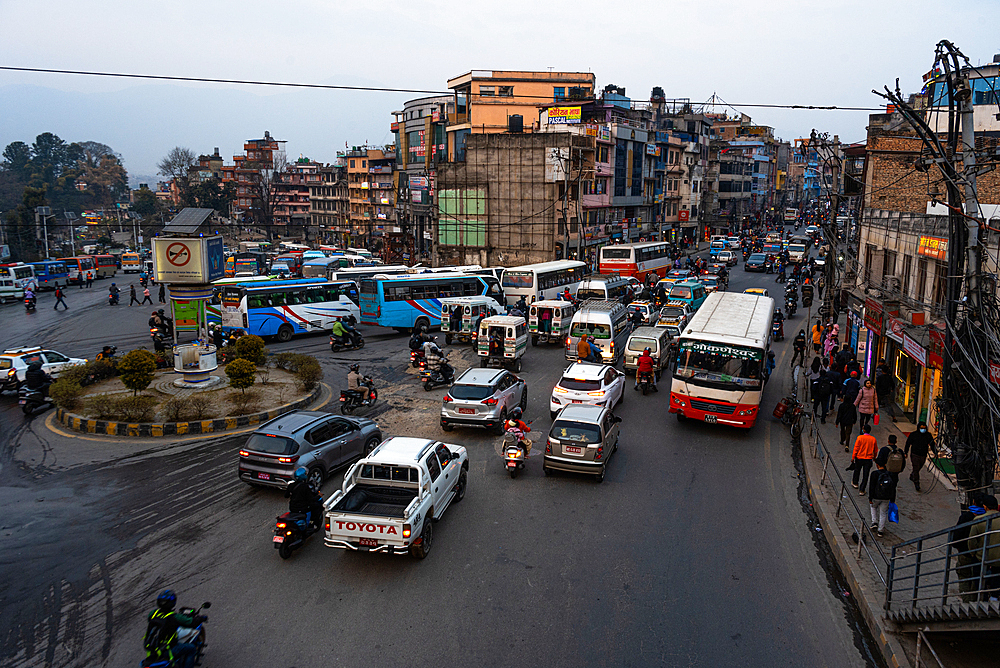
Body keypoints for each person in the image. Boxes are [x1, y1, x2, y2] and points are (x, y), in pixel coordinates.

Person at [143, 590, 199, 668]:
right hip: (167, 649)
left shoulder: (152, 613)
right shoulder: (174, 617)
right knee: (192, 649)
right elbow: (190, 622)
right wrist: (200, 618)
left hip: (152, 649)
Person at [952, 493, 989, 602]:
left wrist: (958, 546)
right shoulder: (987, 518)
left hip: (965, 553)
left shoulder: (966, 517)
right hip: (979, 555)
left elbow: (956, 536)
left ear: (973, 502)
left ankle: (966, 601)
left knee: (963, 576)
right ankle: (973, 600)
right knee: (975, 577)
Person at [966, 495, 1000, 598]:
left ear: (985, 507)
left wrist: (973, 554)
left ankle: (981, 599)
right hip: (998, 559)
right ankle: (994, 598)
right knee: (997, 580)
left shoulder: (979, 520)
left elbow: (972, 542)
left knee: (979, 581)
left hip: (982, 557)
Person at [868, 447, 899, 537]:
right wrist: (892, 499)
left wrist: (870, 497)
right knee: (883, 513)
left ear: (877, 465)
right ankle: (880, 530)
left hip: (876, 496)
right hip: (886, 497)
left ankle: (874, 521)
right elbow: (893, 488)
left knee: (873, 507)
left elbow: (871, 487)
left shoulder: (874, 474)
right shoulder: (890, 474)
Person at [904, 422, 937, 492]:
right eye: (921, 428)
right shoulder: (913, 435)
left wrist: (935, 452)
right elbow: (908, 443)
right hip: (915, 454)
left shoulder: (928, 435)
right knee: (916, 468)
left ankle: (913, 475)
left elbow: (932, 444)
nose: (923, 430)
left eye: (924, 428)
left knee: (919, 467)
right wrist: (905, 452)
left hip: (923, 454)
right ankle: (917, 483)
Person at [851, 424, 878, 496]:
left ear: (864, 430)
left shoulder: (860, 438)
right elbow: (875, 450)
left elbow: (856, 448)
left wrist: (853, 457)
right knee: (866, 475)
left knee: (857, 470)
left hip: (859, 458)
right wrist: (874, 457)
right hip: (868, 459)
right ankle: (862, 490)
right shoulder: (873, 439)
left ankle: (855, 483)